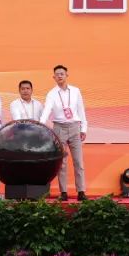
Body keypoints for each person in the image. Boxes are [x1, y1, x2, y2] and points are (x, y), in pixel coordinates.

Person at [39, 64, 88, 201]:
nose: (60, 76)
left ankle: (81, 191)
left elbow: (81, 110)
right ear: (53, 77)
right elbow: (47, 110)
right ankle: (64, 192)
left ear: (67, 75)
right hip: (59, 128)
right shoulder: (51, 94)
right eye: (57, 74)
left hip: (74, 127)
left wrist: (83, 128)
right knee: (62, 162)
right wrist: (40, 124)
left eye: (62, 74)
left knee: (79, 161)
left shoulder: (76, 91)